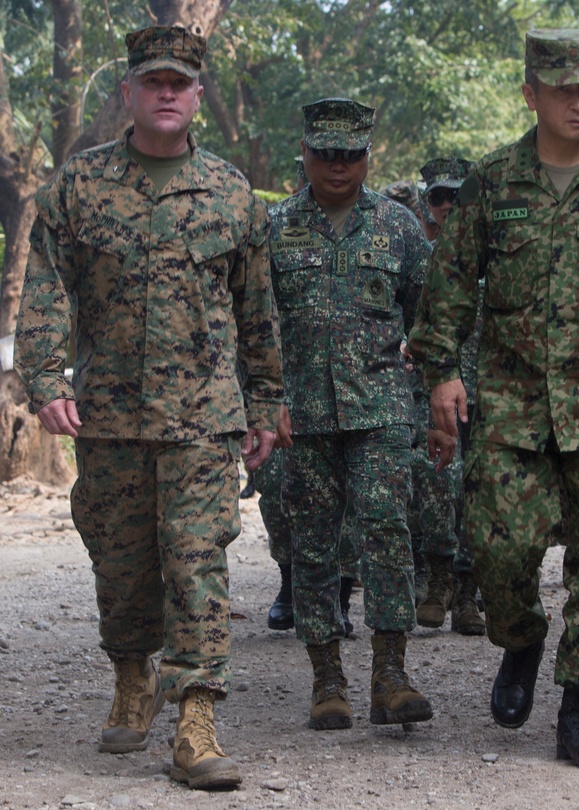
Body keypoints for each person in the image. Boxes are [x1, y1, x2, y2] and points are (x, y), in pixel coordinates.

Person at [13, 26, 285, 791]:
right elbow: (46, 291)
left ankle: (196, 718)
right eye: (152, 80)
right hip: (109, 417)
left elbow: (257, 312)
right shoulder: (79, 186)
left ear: (197, 97)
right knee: (122, 564)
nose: (166, 92)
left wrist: (265, 401)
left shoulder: (231, 194)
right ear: (129, 92)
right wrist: (45, 377)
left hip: (203, 420)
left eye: (180, 82)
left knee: (198, 563)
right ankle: (132, 677)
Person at [408, 29, 579, 768]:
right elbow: (450, 287)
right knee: (498, 548)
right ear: (531, 95)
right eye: (562, 90)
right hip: (511, 407)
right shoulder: (492, 183)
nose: (578, 101)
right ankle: (521, 638)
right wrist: (440, 372)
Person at [268, 98, 432, 731]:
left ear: (369, 158)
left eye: (351, 155)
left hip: (383, 411)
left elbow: (430, 317)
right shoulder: (276, 227)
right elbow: (253, 324)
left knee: (388, 531)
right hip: (303, 414)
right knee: (312, 545)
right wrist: (266, 402)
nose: (338, 166)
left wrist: (435, 398)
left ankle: (390, 673)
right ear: (305, 156)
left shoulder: (399, 226)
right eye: (326, 154)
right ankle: (326, 677)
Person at [409, 156, 485, 635]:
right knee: (439, 485)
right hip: (437, 395)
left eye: (456, 196)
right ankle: (436, 577)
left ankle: (468, 592)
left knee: (480, 494)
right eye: (438, 197)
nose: (447, 206)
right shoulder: (420, 256)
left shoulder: (497, 253)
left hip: (492, 397)